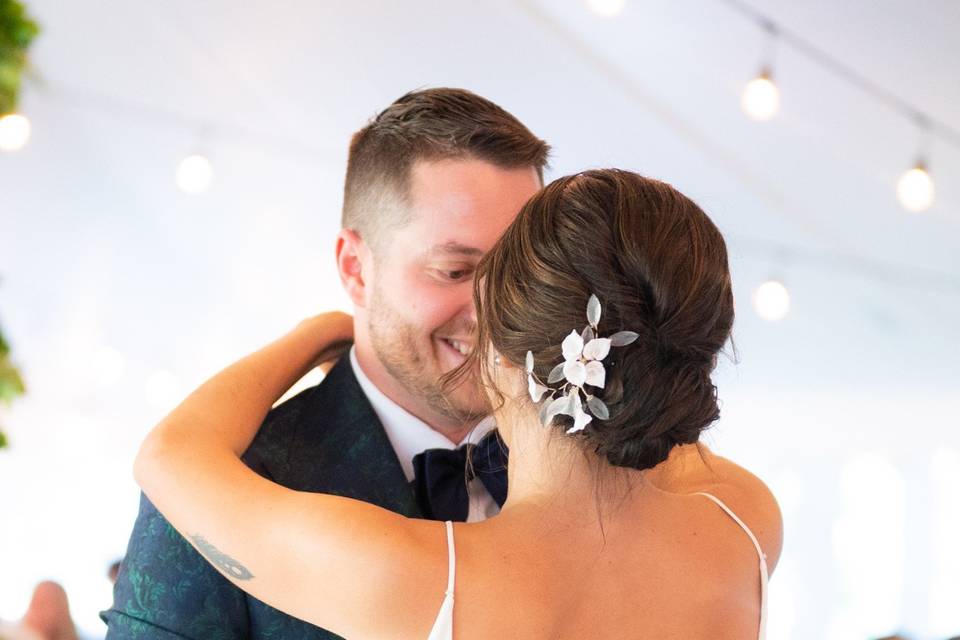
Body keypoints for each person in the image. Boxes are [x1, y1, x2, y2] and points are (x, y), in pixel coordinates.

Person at [133, 169, 784, 638]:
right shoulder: (748, 521)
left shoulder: (415, 581)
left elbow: (169, 458)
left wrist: (321, 332)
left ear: (497, 349)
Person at [102, 87, 549, 639]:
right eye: (454, 271)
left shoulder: (594, 471)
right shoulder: (215, 487)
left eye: (520, 274)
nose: (496, 313)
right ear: (356, 268)